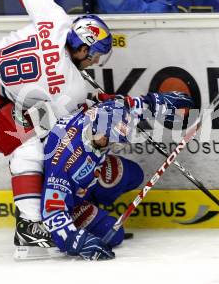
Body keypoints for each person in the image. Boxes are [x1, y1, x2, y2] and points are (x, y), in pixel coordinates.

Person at [0, 0, 113, 259]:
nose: (94, 60)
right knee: (27, 146)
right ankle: (30, 227)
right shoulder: (72, 87)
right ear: (81, 49)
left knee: (35, 138)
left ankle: (45, 211)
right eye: (94, 54)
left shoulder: (57, 19)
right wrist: (92, 103)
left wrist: (53, 0)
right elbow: (63, 125)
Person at [41, 91, 194, 260]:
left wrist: (158, 101)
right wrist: (75, 240)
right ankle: (67, 225)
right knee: (115, 235)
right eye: (110, 139)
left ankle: (93, 200)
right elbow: (52, 210)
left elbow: (133, 106)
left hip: (89, 176)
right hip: (70, 201)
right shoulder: (64, 159)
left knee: (133, 174)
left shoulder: (107, 114)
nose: (114, 144)